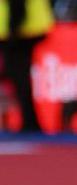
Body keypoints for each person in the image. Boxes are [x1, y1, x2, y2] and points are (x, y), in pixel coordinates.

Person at [0, 0, 53, 133]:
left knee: (19, 77)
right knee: (19, 77)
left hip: (21, 33)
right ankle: (29, 121)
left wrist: (13, 32)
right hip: (23, 30)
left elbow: (17, 6)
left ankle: (30, 123)